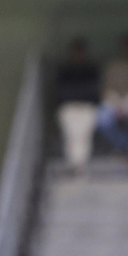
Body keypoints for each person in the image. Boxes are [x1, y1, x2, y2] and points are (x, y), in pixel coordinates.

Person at [56, 38, 102, 173]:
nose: (78, 55)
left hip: (87, 107)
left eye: (81, 52)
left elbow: (93, 93)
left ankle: (79, 165)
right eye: (76, 52)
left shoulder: (91, 69)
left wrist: (77, 92)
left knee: (83, 136)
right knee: (72, 135)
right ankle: (74, 164)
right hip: (69, 107)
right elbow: (62, 93)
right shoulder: (65, 70)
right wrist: (79, 92)